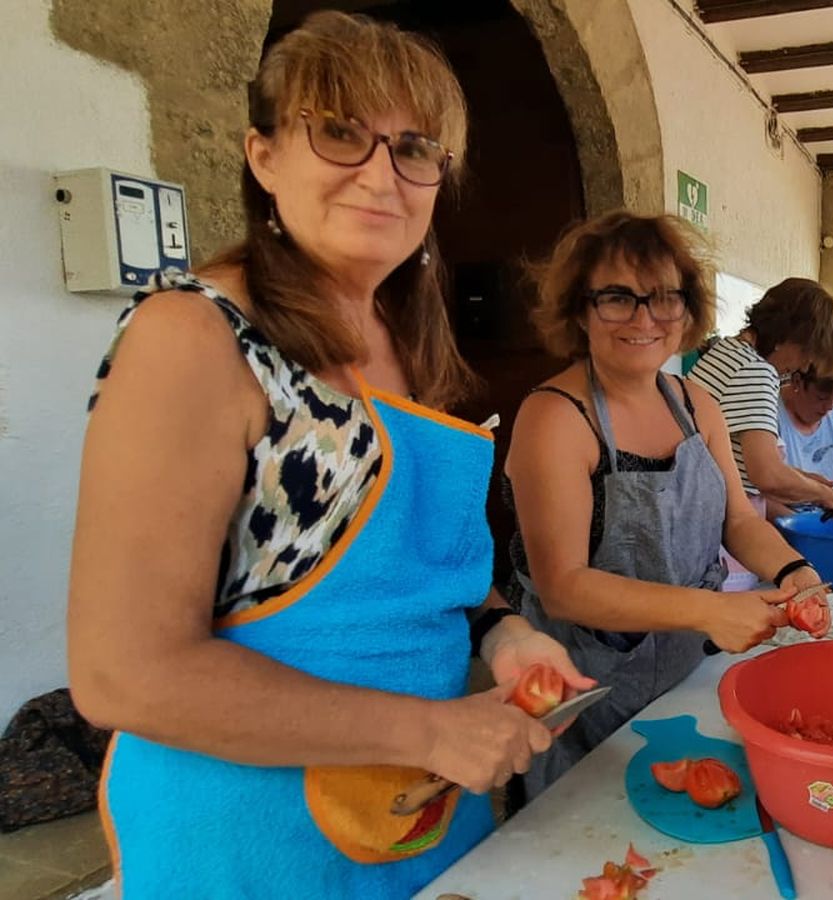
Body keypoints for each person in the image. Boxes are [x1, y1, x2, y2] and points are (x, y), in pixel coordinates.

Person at [67, 13, 586, 896]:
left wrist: (506, 632)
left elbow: (429, 576)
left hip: (416, 816)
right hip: (246, 844)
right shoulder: (191, 337)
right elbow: (125, 673)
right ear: (264, 156)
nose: (381, 174)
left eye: (414, 148)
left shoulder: (406, 338)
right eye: (340, 132)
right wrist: (429, 732)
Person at [501, 213, 826, 799]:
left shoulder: (696, 404)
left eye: (664, 298)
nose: (645, 318)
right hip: (582, 700)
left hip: (684, 683)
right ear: (581, 309)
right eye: (618, 298)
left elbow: (739, 519)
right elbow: (564, 586)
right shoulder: (554, 419)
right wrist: (707, 610)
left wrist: (791, 570)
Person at [688, 278, 833, 524]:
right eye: (808, 354)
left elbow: (741, 460)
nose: (804, 365)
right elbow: (766, 474)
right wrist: (824, 494)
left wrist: (803, 481)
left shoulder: (727, 351)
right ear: (789, 337)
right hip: (715, 519)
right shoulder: (756, 371)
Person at [769, 365, 833, 519]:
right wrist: (805, 527)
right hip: (783, 526)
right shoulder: (769, 417)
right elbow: (758, 493)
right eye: (821, 398)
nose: (829, 407)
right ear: (797, 382)